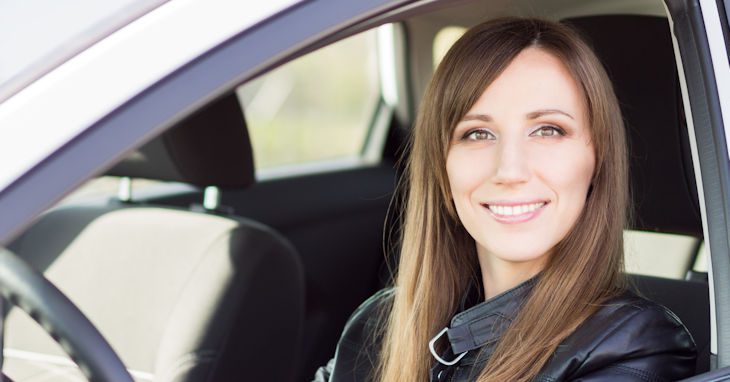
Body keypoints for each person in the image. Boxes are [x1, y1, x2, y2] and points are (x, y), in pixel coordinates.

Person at [314, 17, 697, 382]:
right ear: (442, 169)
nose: (509, 170)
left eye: (548, 130)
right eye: (478, 134)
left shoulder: (635, 347)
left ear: (597, 160)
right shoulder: (378, 323)